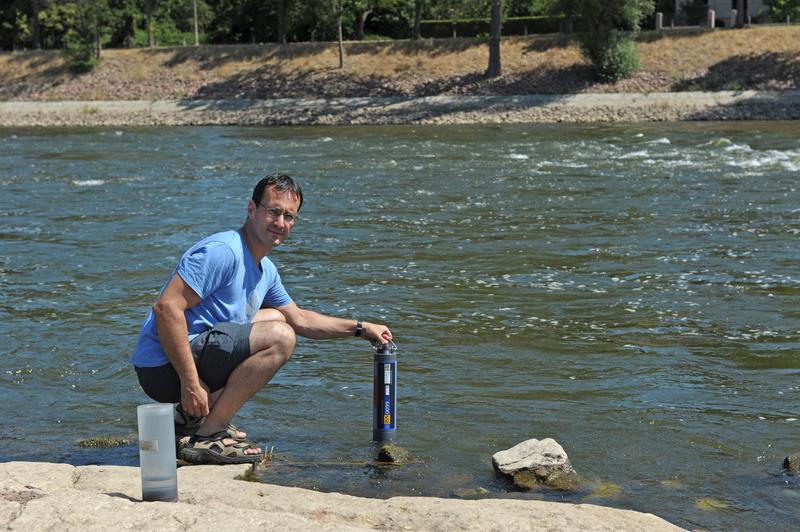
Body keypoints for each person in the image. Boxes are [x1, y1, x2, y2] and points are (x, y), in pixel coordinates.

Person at [130, 174, 392, 464]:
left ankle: (189, 420)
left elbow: (301, 319)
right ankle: (208, 437)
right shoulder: (223, 251)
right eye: (273, 211)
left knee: (279, 318)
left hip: (190, 358)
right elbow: (165, 309)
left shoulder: (266, 270)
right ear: (252, 209)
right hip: (163, 367)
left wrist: (361, 328)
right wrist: (190, 382)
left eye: (289, 216)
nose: (280, 223)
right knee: (281, 337)